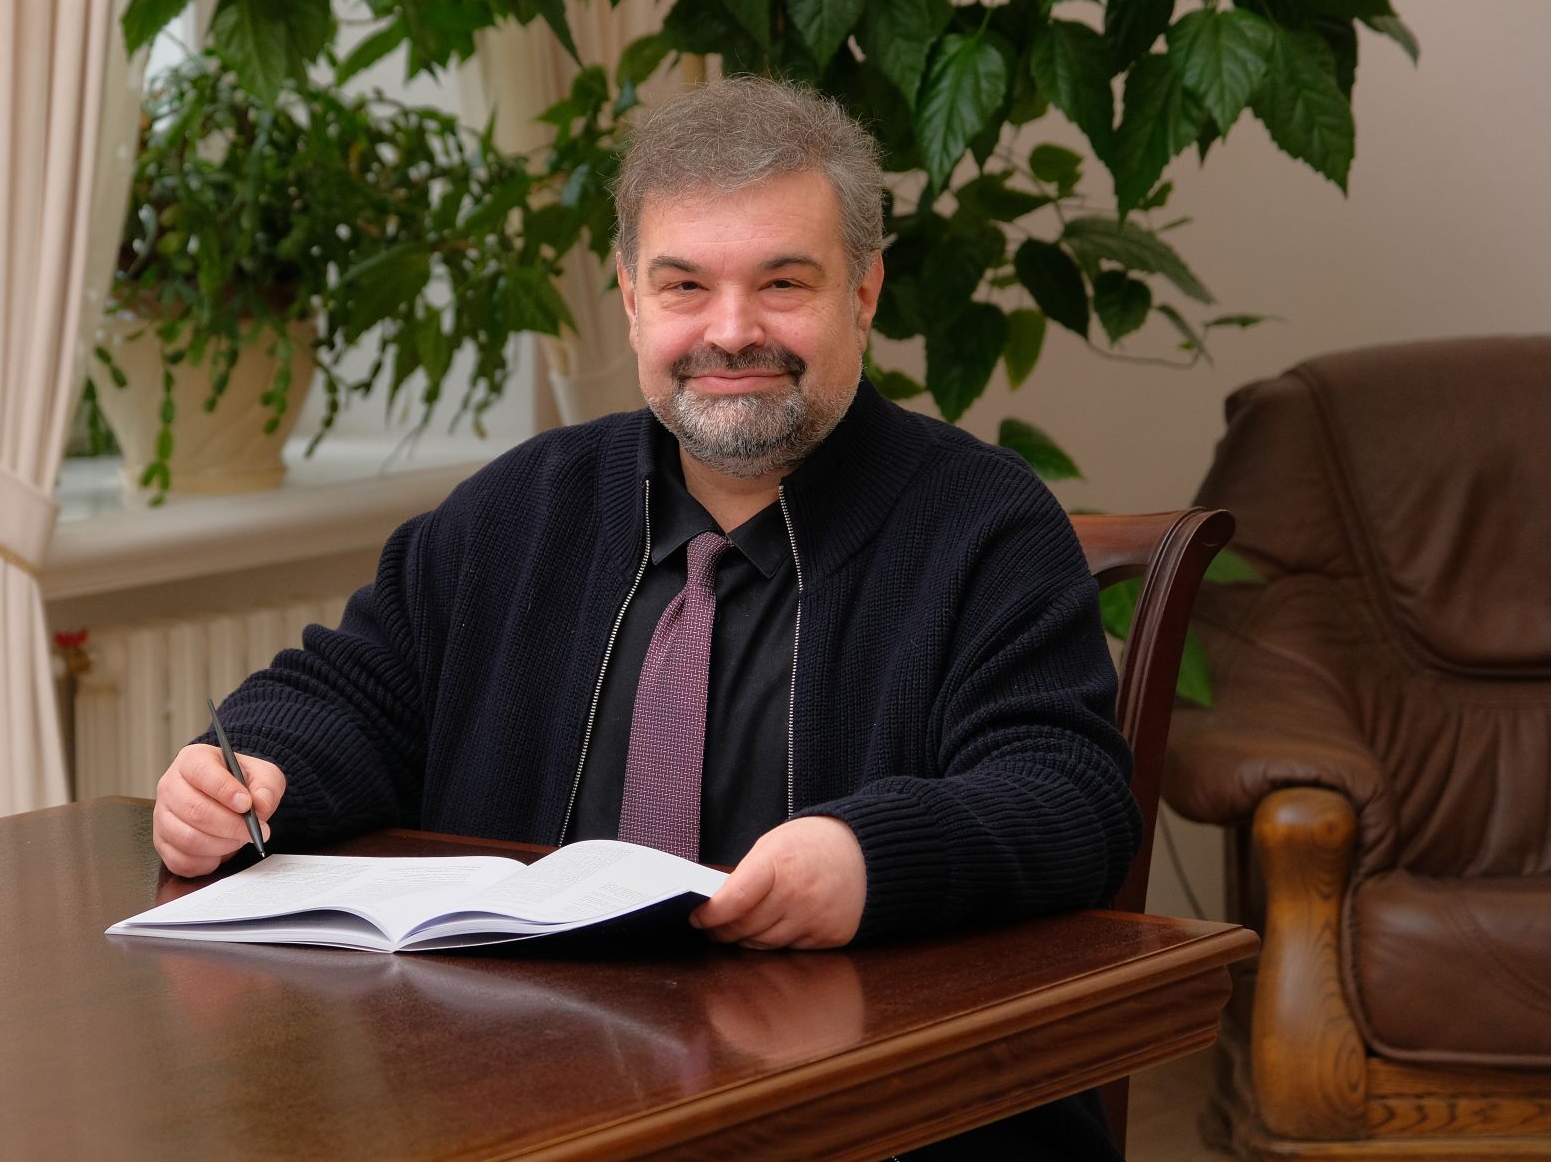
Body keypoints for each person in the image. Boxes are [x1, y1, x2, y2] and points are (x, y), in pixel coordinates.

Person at [152, 76, 1138, 1157]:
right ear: (629, 298)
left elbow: (1068, 794)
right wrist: (245, 773)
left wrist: (869, 857)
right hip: (536, 1095)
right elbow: (350, 693)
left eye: (783, 283)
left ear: (864, 291)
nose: (731, 331)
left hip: (887, 1114)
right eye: (684, 286)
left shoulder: (985, 524)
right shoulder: (521, 508)